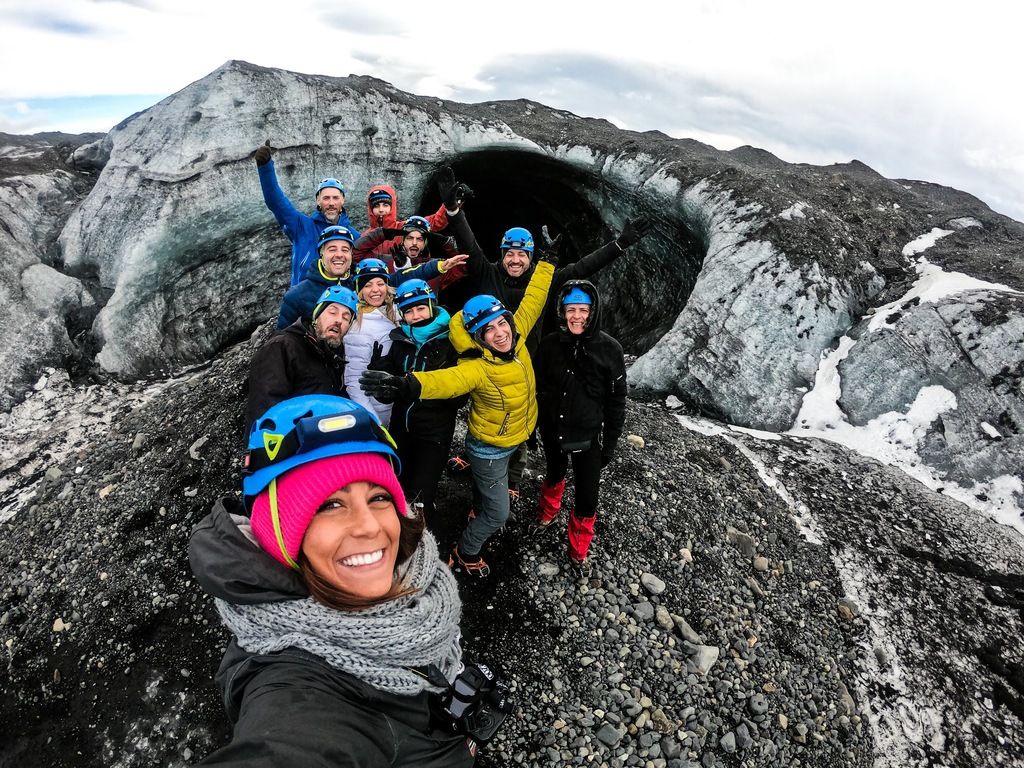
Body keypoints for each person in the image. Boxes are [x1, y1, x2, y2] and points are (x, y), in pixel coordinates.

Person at [189, 395, 508, 765]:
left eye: (378, 497)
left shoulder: (419, 575)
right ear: (280, 533)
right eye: (330, 505)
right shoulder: (295, 691)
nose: (370, 526)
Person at [434, 166, 652, 498]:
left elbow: (584, 267)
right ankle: (470, 454)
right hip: (483, 359)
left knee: (522, 416)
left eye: (523, 254)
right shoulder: (486, 271)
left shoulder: (544, 279)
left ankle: (513, 477)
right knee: (481, 408)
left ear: (531, 256)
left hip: (527, 361)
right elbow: (469, 243)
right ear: (503, 254)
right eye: (511, 253)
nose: (516, 259)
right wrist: (453, 212)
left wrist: (620, 244)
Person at [360, 244, 559, 578]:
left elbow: (534, 300)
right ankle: (463, 551)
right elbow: (445, 381)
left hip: (516, 435)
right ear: (477, 337)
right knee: (496, 513)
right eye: (488, 330)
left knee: (487, 496)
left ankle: (473, 509)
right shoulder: (476, 366)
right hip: (489, 445)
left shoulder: (519, 335)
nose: (500, 334)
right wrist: (408, 384)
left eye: (501, 324)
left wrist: (548, 265)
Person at [532, 280, 626, 576]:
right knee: (554, 472)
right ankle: (547, 514)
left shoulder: (610, 350)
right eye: (571, 310)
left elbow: (616, 401)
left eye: (583, 310)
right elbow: (536, 388)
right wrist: (531, 427)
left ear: (593, 312)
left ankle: (577, 551)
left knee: (588, 497)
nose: (576, 316)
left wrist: (609, 443)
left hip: (588, 436)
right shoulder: (549, 345)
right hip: (553, 430)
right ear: (562, 312)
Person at [367, 279, 464, 530]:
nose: (416, 316)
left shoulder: (451, 342)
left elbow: (461, 394)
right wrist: (382, 383)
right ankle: (394, 533)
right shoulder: (400, 341)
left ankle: (420, 540)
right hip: (401, 429)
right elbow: (390, 389)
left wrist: (419, 388)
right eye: (408, 311)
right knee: (396, 485)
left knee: (421, 496)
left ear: (433, 305)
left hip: (434, 435)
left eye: (420, 308)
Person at [344, 256, 467, 426]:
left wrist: (438, 266)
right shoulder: (358, 326)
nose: (375, 290)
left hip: (403, 401)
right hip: (379, 406)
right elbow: (354, 381)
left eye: (380, 283)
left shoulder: (395, 310)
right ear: (358, 290)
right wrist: (373, 422)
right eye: (367, 285)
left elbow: (409, 279)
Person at [246, 285, 359, 427]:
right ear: (317, 315)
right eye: (332, 312)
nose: (339, 321)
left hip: (322, 440)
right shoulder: (282, 346)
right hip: (289, 443)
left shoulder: (332, 355)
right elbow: (264, 406)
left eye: (346, 317)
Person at [253, 140, 357, 287]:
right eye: (326, 198)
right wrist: (265, 168)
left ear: (343, 201)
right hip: (302, 305)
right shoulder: (302, 226)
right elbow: (276, 202)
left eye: (335, 198)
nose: (331, 203)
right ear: (318, 201)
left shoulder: (354, 236)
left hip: (338, 307)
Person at [277, 224, 359, 329]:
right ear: (321, 253)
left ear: (351, 255)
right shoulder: (296, 296)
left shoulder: (360, 288)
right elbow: (282, 341)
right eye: (332, 249)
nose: (339, 254)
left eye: (345, 250)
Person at [360, 184, 450, 259]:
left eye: (385, 205)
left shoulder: (405, 227)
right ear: (370, 209)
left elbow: (436, 222)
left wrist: (449, 205)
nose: (381, 210)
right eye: (376, 206)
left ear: (392, 207)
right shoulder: (366, 236)